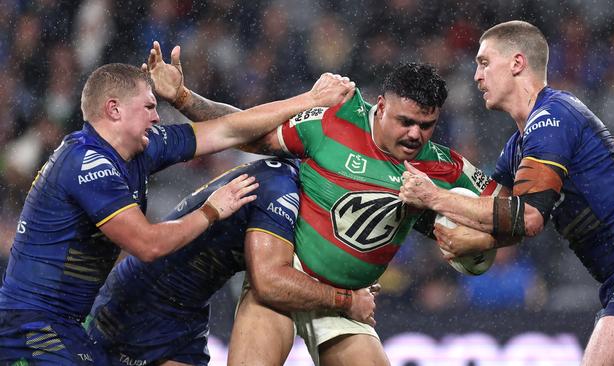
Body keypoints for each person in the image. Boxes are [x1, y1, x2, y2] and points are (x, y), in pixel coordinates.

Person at [149, 43, 503, 365]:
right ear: (380, 107)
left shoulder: (444, 166)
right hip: (286, 282)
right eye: (405, 122)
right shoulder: (334, 119)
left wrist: (483, 240)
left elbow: (513, 214)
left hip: (347, 306)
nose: (415, 135)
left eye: (426, 126)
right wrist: (182, 97)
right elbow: (244, 131)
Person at [0, 57, 355, 364]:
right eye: (149, 107)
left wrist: (308, 101)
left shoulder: (139, 149)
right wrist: (212, 211)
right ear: (114, 109)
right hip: (29, 324)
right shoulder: (87, 164)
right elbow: (148, 244)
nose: (157, 118)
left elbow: (230, 130)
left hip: (64, 322)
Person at [399, 20, 614, 364]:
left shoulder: (553, 117)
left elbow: (527, 217)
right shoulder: (518, 147)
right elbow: (501, 217)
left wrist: (433, 197)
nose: (476, 76)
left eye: (484, 62)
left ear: (517, 63)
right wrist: (466, 238)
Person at [84, 157, 379, 366]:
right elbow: (268, 281)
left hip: (187, 314)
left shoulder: (293, 184)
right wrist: (347, 300)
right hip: (140, 303)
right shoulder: (282, 190)